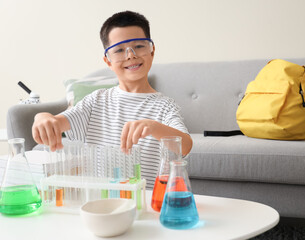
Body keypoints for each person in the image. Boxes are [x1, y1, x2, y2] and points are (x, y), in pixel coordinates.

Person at [32, 11, 193, 187]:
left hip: (143, 202)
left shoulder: (165, 106)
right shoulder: (95, 101)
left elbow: (185, 146)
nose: (131, 55)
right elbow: (56, 123)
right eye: (119, 50)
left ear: (152, 51)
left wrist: (153, 126)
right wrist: (42, 117)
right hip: (100, 202)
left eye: (139, 46)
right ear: (108, 61)